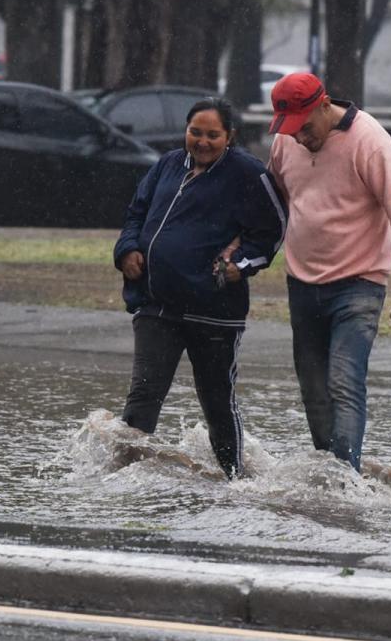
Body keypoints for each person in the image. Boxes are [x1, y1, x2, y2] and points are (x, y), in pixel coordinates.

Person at [114, 97, 287, 479]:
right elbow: (136, 213)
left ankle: (235, 480)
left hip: (215, 313)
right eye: (196, 132)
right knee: (144, 394)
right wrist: (126, 250)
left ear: (230, 136)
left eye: (213, 135)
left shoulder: (247, 173)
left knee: (216, 401)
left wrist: (240, 267)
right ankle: (123, 478)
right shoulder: (168, 164)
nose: (202, 141)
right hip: (155, 304)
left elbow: (272, 230)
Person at [266, 72, 391, 473]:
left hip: (359, 283)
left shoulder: (369, 141)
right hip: (301, 283)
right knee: (313, 391)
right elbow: (277, 200)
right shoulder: (285, 142)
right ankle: (329, 467)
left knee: (343, 381)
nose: (299, 138)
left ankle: (346, 478)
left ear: (324, 105)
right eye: (290, 130)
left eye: (304, 128)